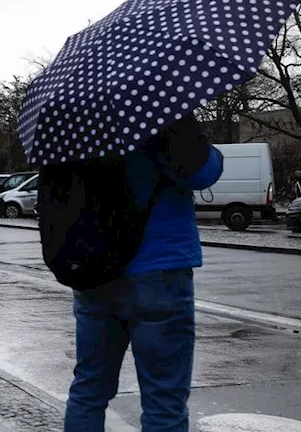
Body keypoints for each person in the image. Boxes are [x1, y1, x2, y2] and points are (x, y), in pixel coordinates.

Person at [49, 116, 223, 432]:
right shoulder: (158, 107)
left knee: (89, 388)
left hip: (93, 267)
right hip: (159, 267)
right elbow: (201, 172)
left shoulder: (76, 120)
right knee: (164, 399)